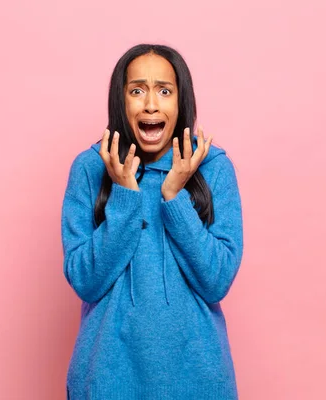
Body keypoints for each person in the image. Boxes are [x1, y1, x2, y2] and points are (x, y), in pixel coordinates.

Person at [61, 43, 243, 399]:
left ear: (181, 100)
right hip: (106, 380)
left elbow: (217, 281)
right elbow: (85, 281)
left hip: (198, 380)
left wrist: (174, 195)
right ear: (121, 100)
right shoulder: (90, 167)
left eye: (164, 90)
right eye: (137, 90)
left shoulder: (214, 168)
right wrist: (126, 196)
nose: (150, 104)